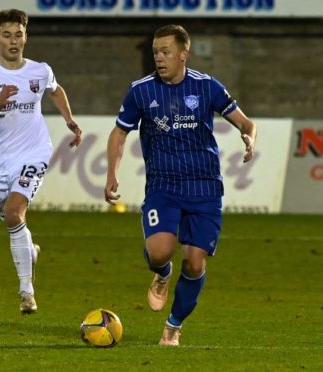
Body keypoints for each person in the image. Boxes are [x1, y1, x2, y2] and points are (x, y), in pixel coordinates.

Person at [104, 24, 256, 345]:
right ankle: (161, 274)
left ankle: (173, 326)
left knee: (195, 261)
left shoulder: (206, 87)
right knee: (160, 253)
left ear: (184, 54)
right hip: (164, 186)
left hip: (204, 188)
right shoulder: (141, 91)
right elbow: (120, 132)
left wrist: (248, 137)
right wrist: (112, 173)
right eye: (156, 53)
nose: (159, 58)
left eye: (166, 52)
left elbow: (245, 122)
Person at [0, 9, 82, 314]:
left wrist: (69, 119)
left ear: (26, 37)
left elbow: (55, 90)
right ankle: (31, 251)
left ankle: (26, 292)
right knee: (13, 222)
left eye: (18, 34)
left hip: (34, 153)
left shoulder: (39, 70)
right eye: (7, 35)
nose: (13, 41)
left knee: (15, 213)